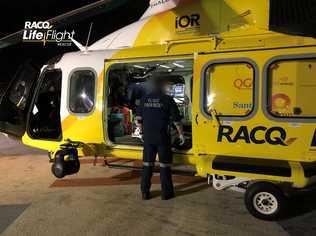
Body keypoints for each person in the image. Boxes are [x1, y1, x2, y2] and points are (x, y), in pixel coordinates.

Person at [136, 73, 185, 200]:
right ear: (163, 85)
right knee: (164, 166)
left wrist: (142, 132)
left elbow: (138, 120)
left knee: (147, 165)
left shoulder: (144, 99)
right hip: (162, 138)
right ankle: (166, 193)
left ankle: (145, 192)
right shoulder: (168, 99)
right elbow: (176, 121)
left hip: (148, 138)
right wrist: (181, 135)